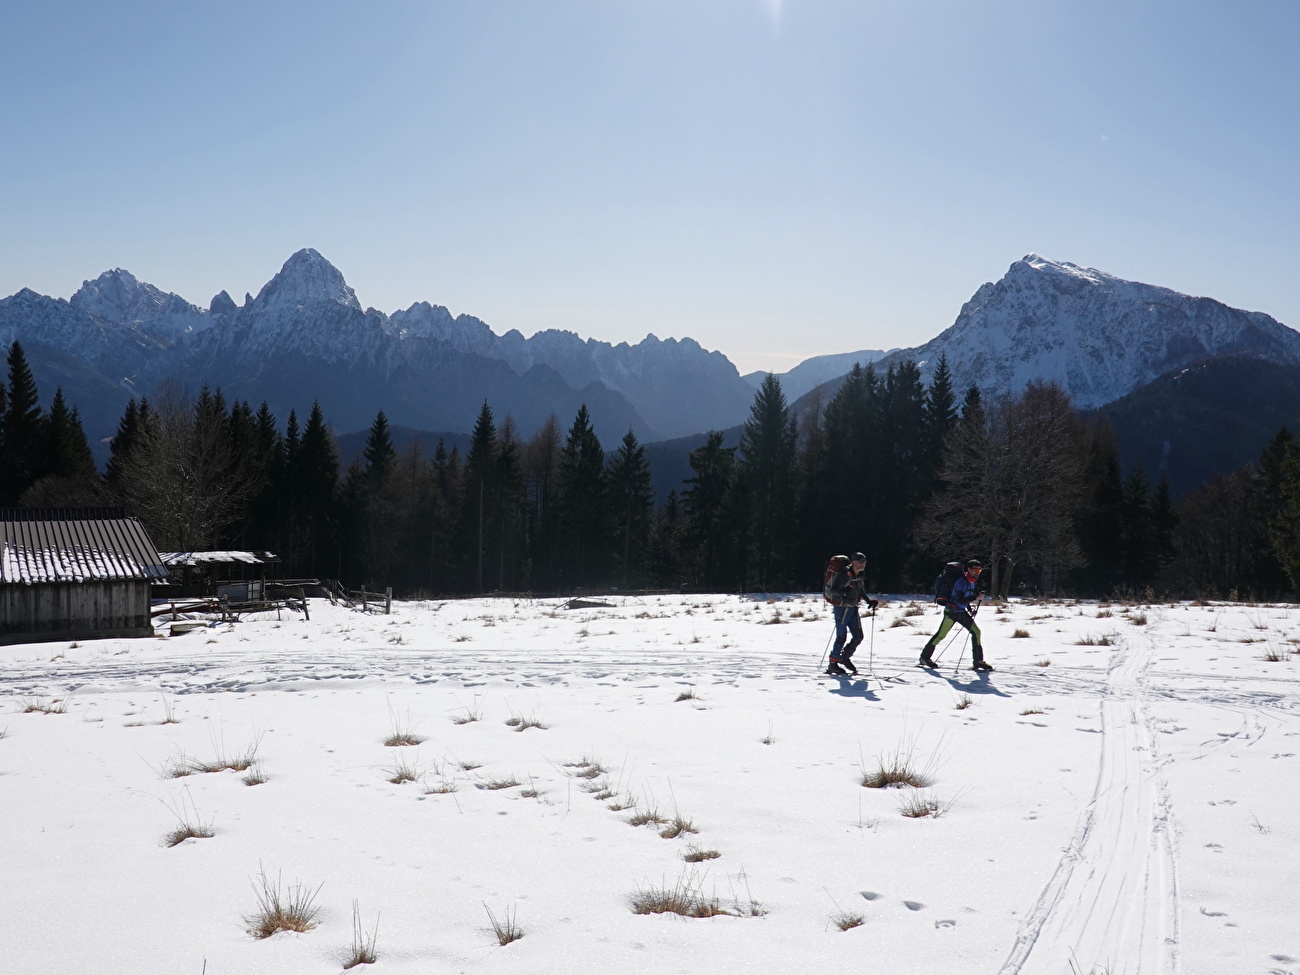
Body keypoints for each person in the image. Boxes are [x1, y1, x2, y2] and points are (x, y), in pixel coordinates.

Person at [920, 558, 992, 671]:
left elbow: (964, 599)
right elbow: (960, 599)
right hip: (951, 612)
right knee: (940, 636)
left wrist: (969, 608)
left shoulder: (971, 582)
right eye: (975, 570)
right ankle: (924, 658)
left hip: (960, 612)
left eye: (979, 570)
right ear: (968, 569)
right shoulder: (962, 582)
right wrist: (975, 597)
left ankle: (978, 661)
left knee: (976, 632)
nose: (977, 572)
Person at [825, 552, 879, 676]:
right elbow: (834, 590)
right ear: (853, 562)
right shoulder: (845, 573)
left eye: (864, 562)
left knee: (858, 636)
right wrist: (844, 591)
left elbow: (860, 589)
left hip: (853, 608)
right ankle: (833, 663)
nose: (862, 564)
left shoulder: (859, 574)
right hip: (842, 609)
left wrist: (868, 600)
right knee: (841, 637)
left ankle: (845, 657)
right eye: (860, 562)